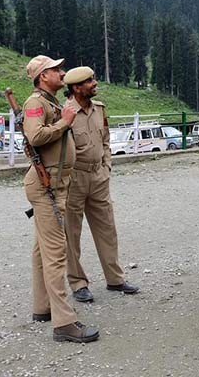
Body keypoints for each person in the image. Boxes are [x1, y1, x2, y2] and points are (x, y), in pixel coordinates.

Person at [21, 55, 99, 343]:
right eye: (56, 70)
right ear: (43, 76)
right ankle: (64, 323)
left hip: (56, 181)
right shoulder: (35, 103)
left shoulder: (50, 101)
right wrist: (65, 123)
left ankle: (42, 307)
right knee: (56, 253)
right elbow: (35, 136)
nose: (61, 73)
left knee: (43, 248)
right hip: (46, 185)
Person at [62, 66, 139, 304]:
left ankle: (115, 279)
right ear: (76, 88)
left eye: (94, 79)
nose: (94, 83)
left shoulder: (99, 109)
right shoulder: (63, 112)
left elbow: (105, 139)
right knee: (71, 234)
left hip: (98, 178)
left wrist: (107, 167)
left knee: (107, 229)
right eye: (89, 81)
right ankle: (78, 283)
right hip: (73, 179)